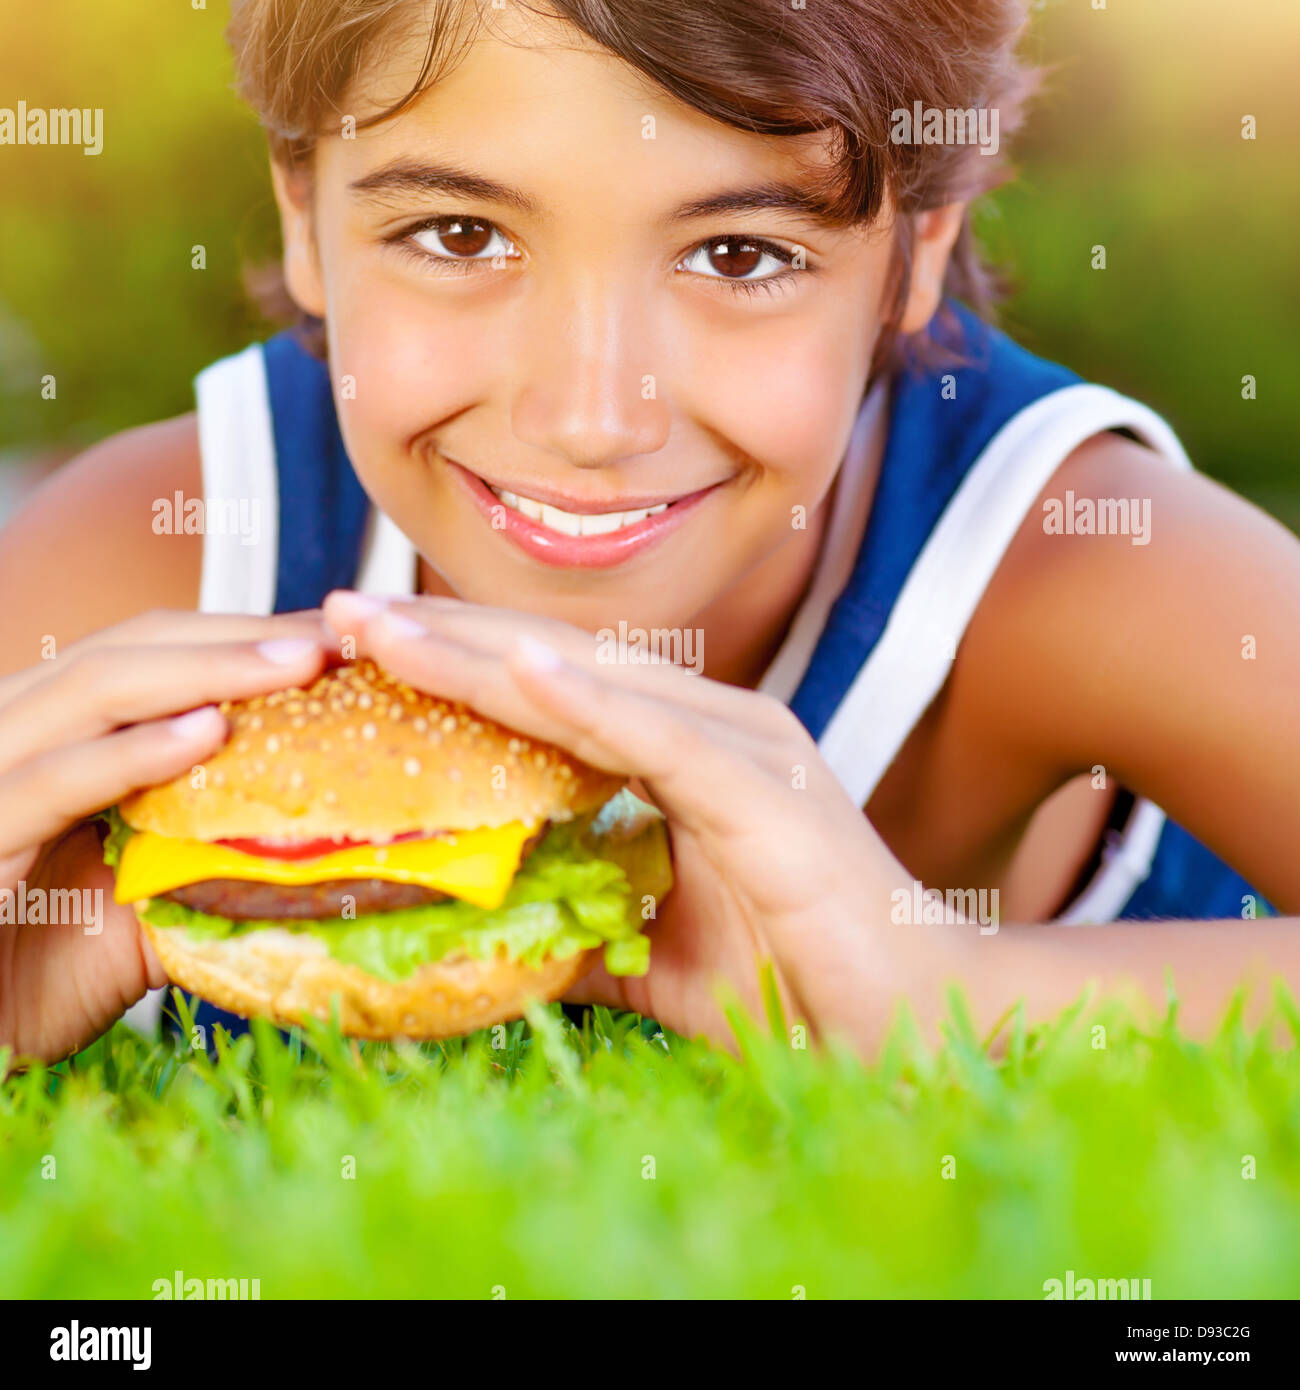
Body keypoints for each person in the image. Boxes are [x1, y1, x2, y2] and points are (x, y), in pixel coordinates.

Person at [1, 0, 1297, 1064]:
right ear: (305, 216)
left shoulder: (1064, 557)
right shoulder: (158, 562)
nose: (590, 416)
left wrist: (953, 986)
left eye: (738, 255)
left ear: (912, 251)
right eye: (458, 234)